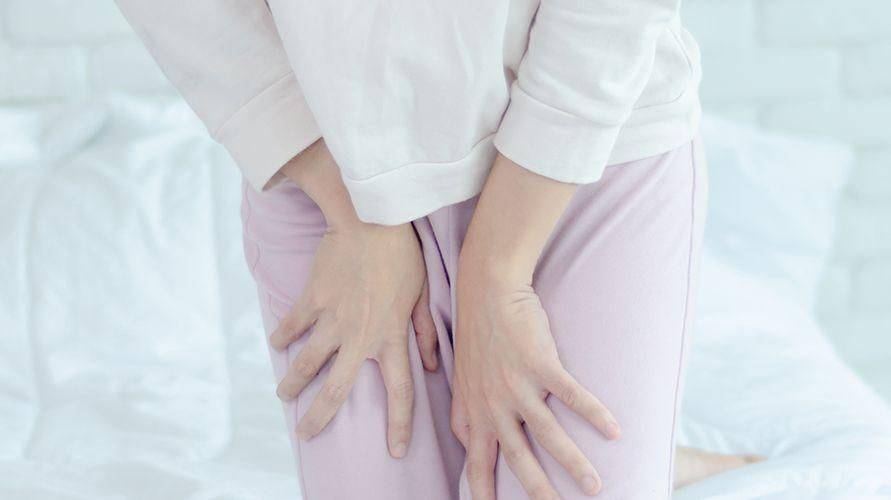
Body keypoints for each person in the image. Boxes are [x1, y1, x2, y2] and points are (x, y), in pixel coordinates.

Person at [115, 1, 759, 498]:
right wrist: (357, 219)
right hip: (325, 166)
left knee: (574, 473)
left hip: (581, 154)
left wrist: (497, 272)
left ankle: (647, 457)